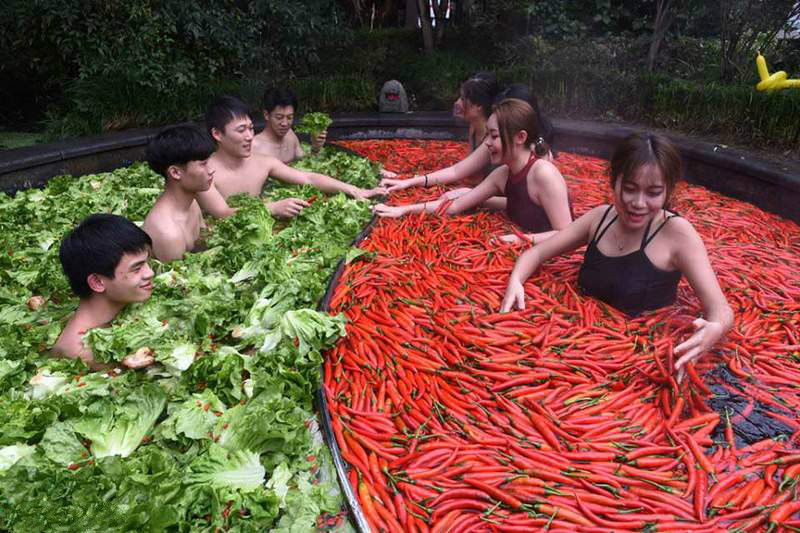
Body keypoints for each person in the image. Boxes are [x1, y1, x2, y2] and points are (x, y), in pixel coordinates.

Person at [500, 132, 733, 381]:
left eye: (653, 192)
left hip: (636, 368)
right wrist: (515, 281)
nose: (639, 203)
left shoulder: (677, 234)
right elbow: (536, 254)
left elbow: (720, 309)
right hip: (574, 351)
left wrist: (714, 329)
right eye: (630, 189)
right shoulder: (599, 218)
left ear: (667, 191)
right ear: (615, 181)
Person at [373, 98, 572, 243]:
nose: (487, 144)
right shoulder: (502, 175)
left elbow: (566, 233)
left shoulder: (543, 174)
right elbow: (455, 206)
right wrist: (405, 209)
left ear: (520, 137)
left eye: (494, 136)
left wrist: (517, 239)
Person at [196, 95, 386, 220]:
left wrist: (354, 190)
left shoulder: (263, 162)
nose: (249, 136)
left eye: (251, 128)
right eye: (241, 130)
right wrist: (273, 208)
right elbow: (222, 213)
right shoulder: (204, 174)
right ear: (217, 134)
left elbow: (308, 178)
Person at [52, 214, 156, 371]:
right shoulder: (81, 352)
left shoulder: (127, 303)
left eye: (147, 262)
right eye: (137, 268)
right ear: (98, 282)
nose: (150, 273)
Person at [380, 72, 500, 193]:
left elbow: (459, 172)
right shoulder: (474, 127)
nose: (457, 103)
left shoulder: (491, 139)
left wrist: (408, 181)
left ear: (478, 105)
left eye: (463, 99)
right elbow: (468, 172)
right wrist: (405, 178)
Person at [143, 125, 215, 262]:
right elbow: (178, 281)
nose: (211, 170)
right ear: (175, 173)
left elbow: (204, 244)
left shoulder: (191, 203)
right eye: (203, 164)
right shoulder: (168, 233)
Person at [252, 87, 325, 163]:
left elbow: (307, 163)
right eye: (279, 117)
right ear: (266, 115)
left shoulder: (290, 135)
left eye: (289, 117)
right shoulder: (254, 146)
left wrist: (316, 147)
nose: (285, 123)